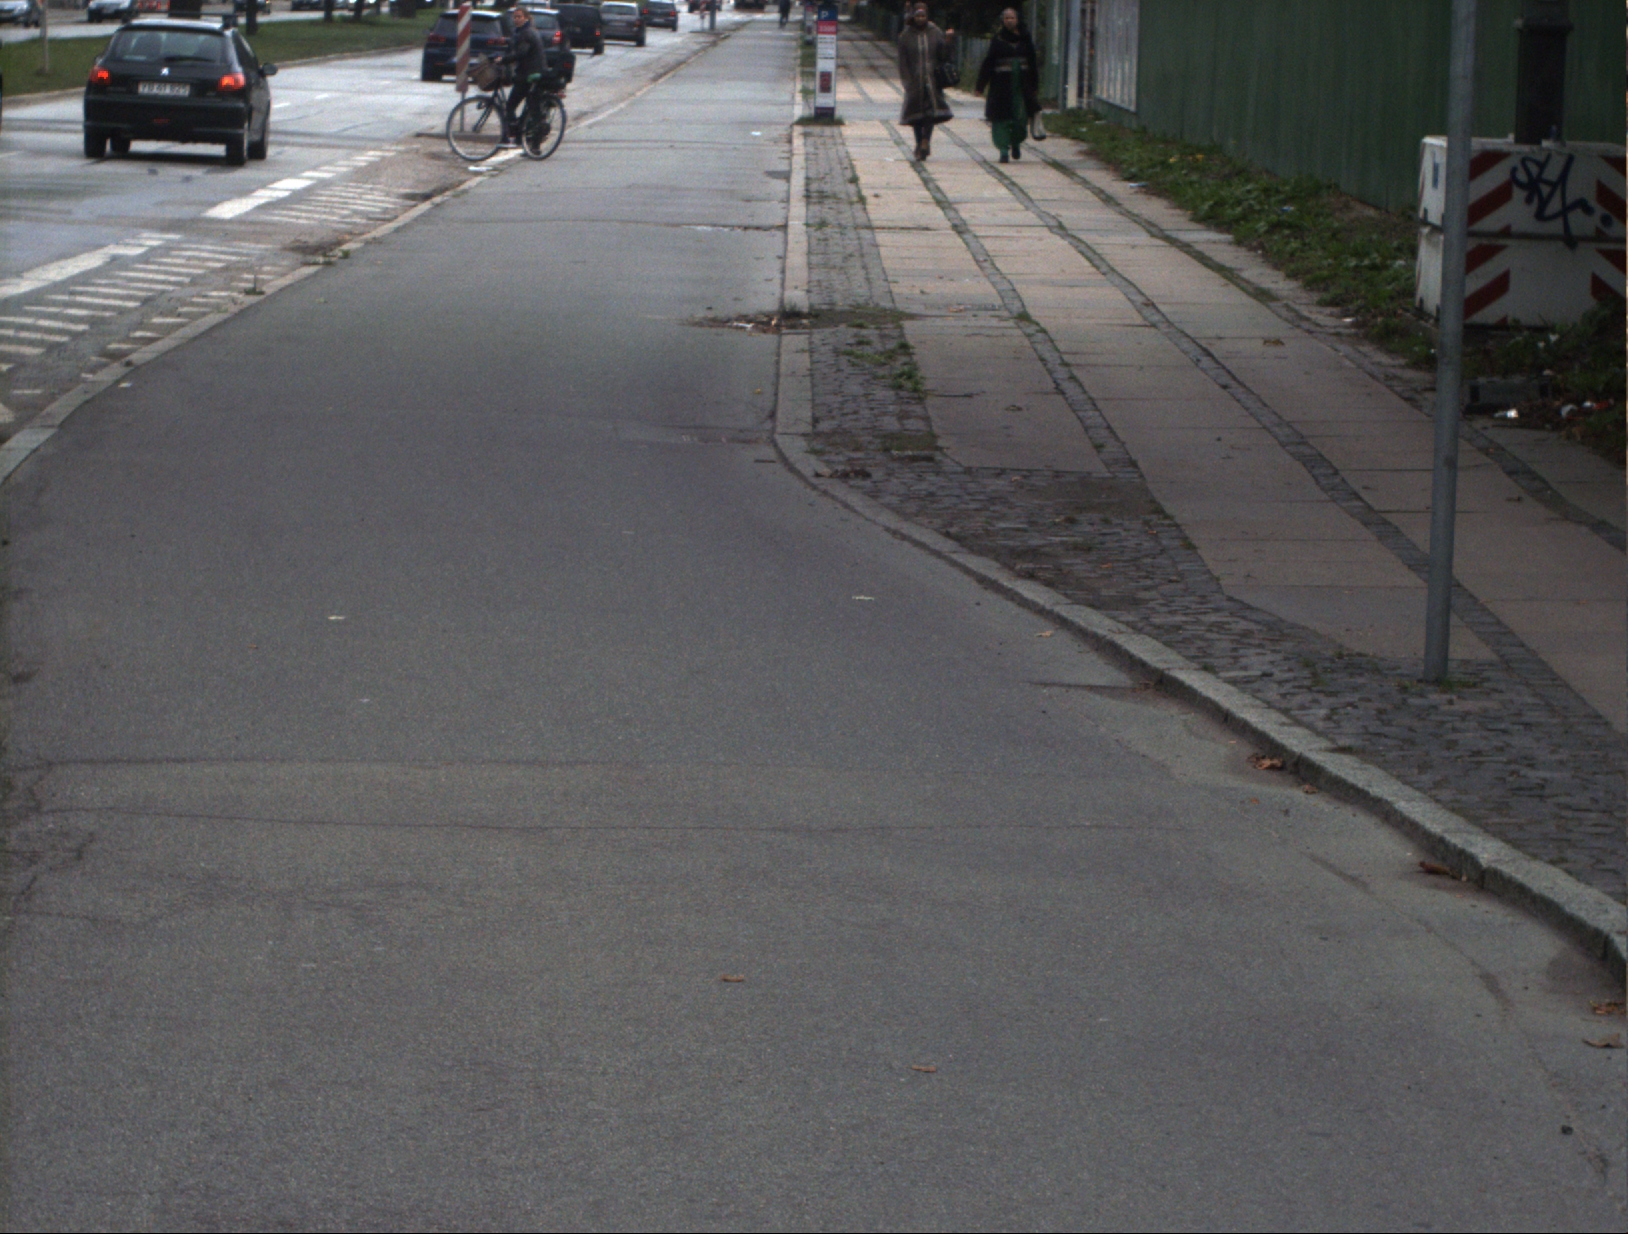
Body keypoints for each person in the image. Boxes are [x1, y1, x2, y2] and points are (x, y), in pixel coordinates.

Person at [975, 7, 1039, 164]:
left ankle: (1016, 142)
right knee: (1001, 119)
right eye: (1006, 18)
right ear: (1003, 21)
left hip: (1021, 86)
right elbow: (989, 62)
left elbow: (1032, 63)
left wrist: (1034, 85)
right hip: (1001, 87)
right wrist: (980, 85)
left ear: (1017, 20)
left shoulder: (1025, 39)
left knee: (1020, 118)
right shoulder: (998, 39)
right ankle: (1003, 150)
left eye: (1012, 18)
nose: (1009, 21)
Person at [896, 2, 952, 161]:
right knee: (916, 116)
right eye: (918, 15)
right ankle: (919, 142)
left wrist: (948, 42)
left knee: (930, 113)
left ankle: (925, 140)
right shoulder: (906, 35)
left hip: (932, 80)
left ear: (927, 16)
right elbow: (902, 61)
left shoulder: (935, 32)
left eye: (923, 15)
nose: (920, 18)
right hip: (915, 81)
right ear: (913, 16)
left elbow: (943, 55)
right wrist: (907, 80)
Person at [503, 5, 555, 143]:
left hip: (528, 74)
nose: (516, 19)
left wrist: (503, 60)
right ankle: (520, 136)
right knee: (530, 105)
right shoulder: (529, 31)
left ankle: (516, 132)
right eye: (514, 17)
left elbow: (521, 53)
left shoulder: (525, 33)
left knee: (510, 106)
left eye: (519, 17)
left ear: (526, 18)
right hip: (536, 72)